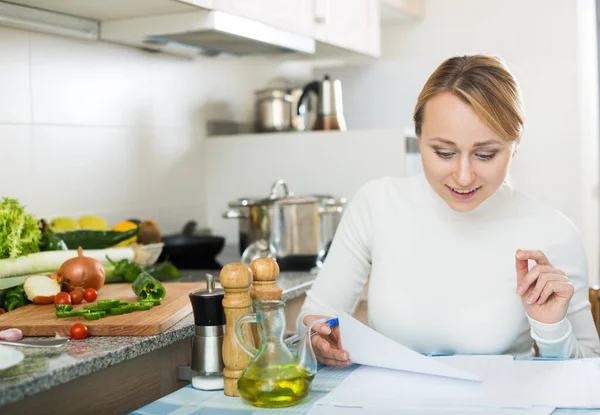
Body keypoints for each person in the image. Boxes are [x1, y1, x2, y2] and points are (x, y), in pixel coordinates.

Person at [298, 54, 600, 366]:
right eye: (444, 153)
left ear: (515, 142)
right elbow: (316, 314)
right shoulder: (376, 205)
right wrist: (317, 338)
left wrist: (552, 330)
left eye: (485, 154)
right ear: (419, 136)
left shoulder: (554, 232)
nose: (464, 176)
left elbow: (590, 368)